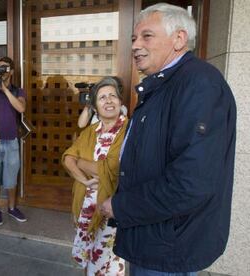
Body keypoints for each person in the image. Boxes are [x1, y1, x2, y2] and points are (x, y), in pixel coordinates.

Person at [99, 3, 236, 276]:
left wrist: (120, 206)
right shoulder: (164, 83)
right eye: (134, 38)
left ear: (179, 39)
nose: (136, 45)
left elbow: (190, 183)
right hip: (154, 237)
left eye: (147, 36)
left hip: (168, 246)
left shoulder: (198, 84)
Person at [62, 76, 128, 275]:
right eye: (102, 98)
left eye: (112, 96)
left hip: (111, 208)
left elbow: (111, 169)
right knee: (87, 260)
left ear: (120, 101)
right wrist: (83, 179)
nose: (108, 101)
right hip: (85, 206)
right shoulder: (91, 131)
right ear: (95, 106)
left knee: (107, 265)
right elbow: (67, 157)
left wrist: (80, 163)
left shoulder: (129, 130)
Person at [0, 56, 27, 225]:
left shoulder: (18, 91)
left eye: (5, 68)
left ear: (11, 71)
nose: (2, 72)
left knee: (11, 179)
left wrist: (4, 89)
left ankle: (12, 208)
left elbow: (21, 108)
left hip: (11, 141)